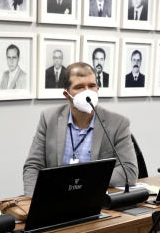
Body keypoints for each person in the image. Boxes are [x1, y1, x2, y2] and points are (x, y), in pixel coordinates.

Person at [22, 62, 137, 196]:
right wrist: (32, 200)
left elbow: (129, 171)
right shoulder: (49, 118)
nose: (87, 92)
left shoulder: (118, 123)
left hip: (95, 199)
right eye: (79, 87)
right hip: (56, 198)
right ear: (67, 94)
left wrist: (82, 183)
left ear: (97, 88)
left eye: (91, 86)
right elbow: (33, 166)